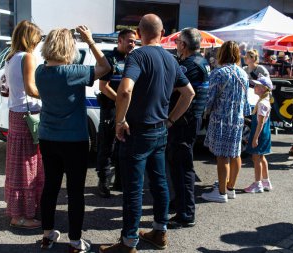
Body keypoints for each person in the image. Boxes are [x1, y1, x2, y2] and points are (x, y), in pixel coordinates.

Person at [99, 14, 195, 253]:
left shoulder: (138, 55)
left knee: (133, 190)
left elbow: (124, 91)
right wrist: (171, 119)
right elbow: (189, 93)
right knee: (159, 183)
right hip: (160, 131)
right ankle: (159, 232)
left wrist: (120, 120)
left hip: (138, 133)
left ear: (139, 34)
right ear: (162, 34)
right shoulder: (171, 59)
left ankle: (128, 243)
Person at [35, 27, 110, 252]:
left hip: (48, 137)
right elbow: (106, 67)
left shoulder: (40, 71)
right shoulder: (75, 71)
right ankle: (75, 241)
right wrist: (90, 41)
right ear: (70, 47)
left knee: (50, 187)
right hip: (74, 140)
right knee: (75, 191)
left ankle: (47, 235)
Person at [166, 27, 210, 229]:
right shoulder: (201, 61)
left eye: (177, 43)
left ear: (183, 44)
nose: (176, 46)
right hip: (191, 119)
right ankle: (180, 202)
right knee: (178, 164)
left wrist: (171, 119)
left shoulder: (190, 65)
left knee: (182, 167)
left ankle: (186, 213)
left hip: (184, 121)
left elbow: (176, 89)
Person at [4, 20, 43, 229]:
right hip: (27, 116)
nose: (37, 43)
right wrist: (51, 93)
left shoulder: (11, 58)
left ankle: (17, 211)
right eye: (37, 38)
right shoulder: (27, 57)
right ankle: (22, 216)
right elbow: (31, 89)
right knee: (27, 165)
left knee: (17, 166)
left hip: (15, 115)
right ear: (29, 37)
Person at [201, 41, 250, 203]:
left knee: (222, 156)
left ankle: (221, 193)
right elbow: (245, 100)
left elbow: (209, 98)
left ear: (221, 53)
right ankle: (230, 187)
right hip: (237, 119)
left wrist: (204, 112)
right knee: (235, 153)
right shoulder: (243, 73)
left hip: (221, 119)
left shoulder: (218, 73)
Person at [96, 29, 136, 198]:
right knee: (107, 146)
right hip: (111, 109)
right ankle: (104, 181)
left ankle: (120, 180)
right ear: (120, 40)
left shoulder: (134, 59)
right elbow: (103, 87)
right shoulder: (109, 59)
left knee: (124, 146)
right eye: (130, 41)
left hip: (128, 110)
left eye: (134, 41)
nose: (133, 44)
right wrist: (119, 100)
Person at [244, 76, 273, 193]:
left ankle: (258, 184)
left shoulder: (262, 103)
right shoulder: (264, 101)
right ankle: (266, 181)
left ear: (264, 89)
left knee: (256, 158)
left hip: (259, 134)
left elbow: (260, 123)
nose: (254, 87)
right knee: (261, 157)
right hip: (264, 133)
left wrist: (255, 138)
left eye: (257, 85)